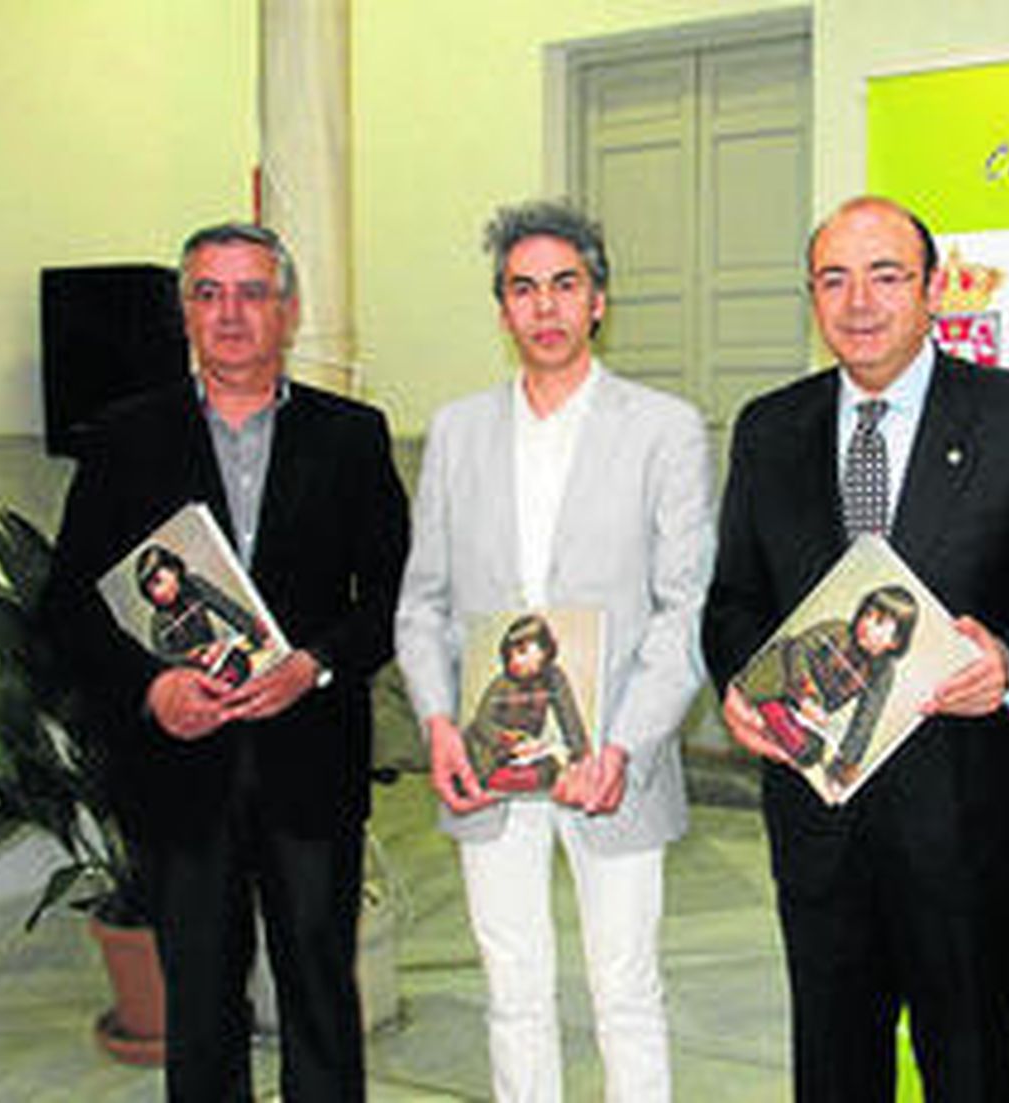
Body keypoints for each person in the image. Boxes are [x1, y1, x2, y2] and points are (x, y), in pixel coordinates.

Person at [703, 196, 1009, 1102]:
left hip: (968, 827)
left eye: (887, 275)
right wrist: (741, 682)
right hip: (820, 826)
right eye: (834, 278)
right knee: (833, 1072)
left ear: (934, 287)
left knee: (972, 1072)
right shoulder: (770, 430)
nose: (859, 301)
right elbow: (735, 599)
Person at [42, 222, 410, 1101]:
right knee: (200, 1005)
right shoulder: (124, 437)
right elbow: (69, 602)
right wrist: (151, 685)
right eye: (209, 293)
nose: (231, 313)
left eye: (252, 292)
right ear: (184, 313)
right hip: (179, 767)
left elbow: (398, 596)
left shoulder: (352, 435)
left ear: (286, 310)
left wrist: (314, 664)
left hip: (311, 760)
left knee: (321, 994)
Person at [395, 200, 713, 1103]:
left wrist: (624, 747)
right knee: (513, 990)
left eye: (564, 285)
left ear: (599, 301)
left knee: (626, 990)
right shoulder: (457, 431)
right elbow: (421, 604)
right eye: (522, 289)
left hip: (613, 757)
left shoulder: (664, 428)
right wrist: (437, 724)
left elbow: (681, 609)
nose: (545, 308)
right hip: (487, 758)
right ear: (502, 309)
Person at [736, 583, 919, 788]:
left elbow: (866, 719)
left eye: (879, 621)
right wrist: (807, 697)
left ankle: (777, 721)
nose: (866, 623)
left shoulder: (883, 671)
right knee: (772, 676)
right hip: (783, 674)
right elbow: (797, 649)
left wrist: (844, 764)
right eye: (867, 614)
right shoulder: (838, 630)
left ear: (895, 641)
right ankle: (765, 707)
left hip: (805, 711)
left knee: (810, 753)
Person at [464, 613, 590, 794]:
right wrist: (509, 740)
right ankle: (488, 779)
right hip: (488, 750)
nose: (514, 661)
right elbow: (482, 722)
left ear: (545, 650)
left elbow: (569, 718)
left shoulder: (554, 678)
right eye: (510, 655)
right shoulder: (502, 683)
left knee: (551, 770)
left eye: (522, 652)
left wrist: (580, 756)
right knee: (493, 774)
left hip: (525, 753)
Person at [136, 543, 271, 686]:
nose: (156, 594)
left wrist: (254, 631)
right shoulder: (159, 622)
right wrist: (190, 657)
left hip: (218, 660)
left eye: (158, 581)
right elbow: (162, 661)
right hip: (191, 678)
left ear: (174, 570)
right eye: (149, 590)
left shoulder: (194, 585)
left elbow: (226, 607)